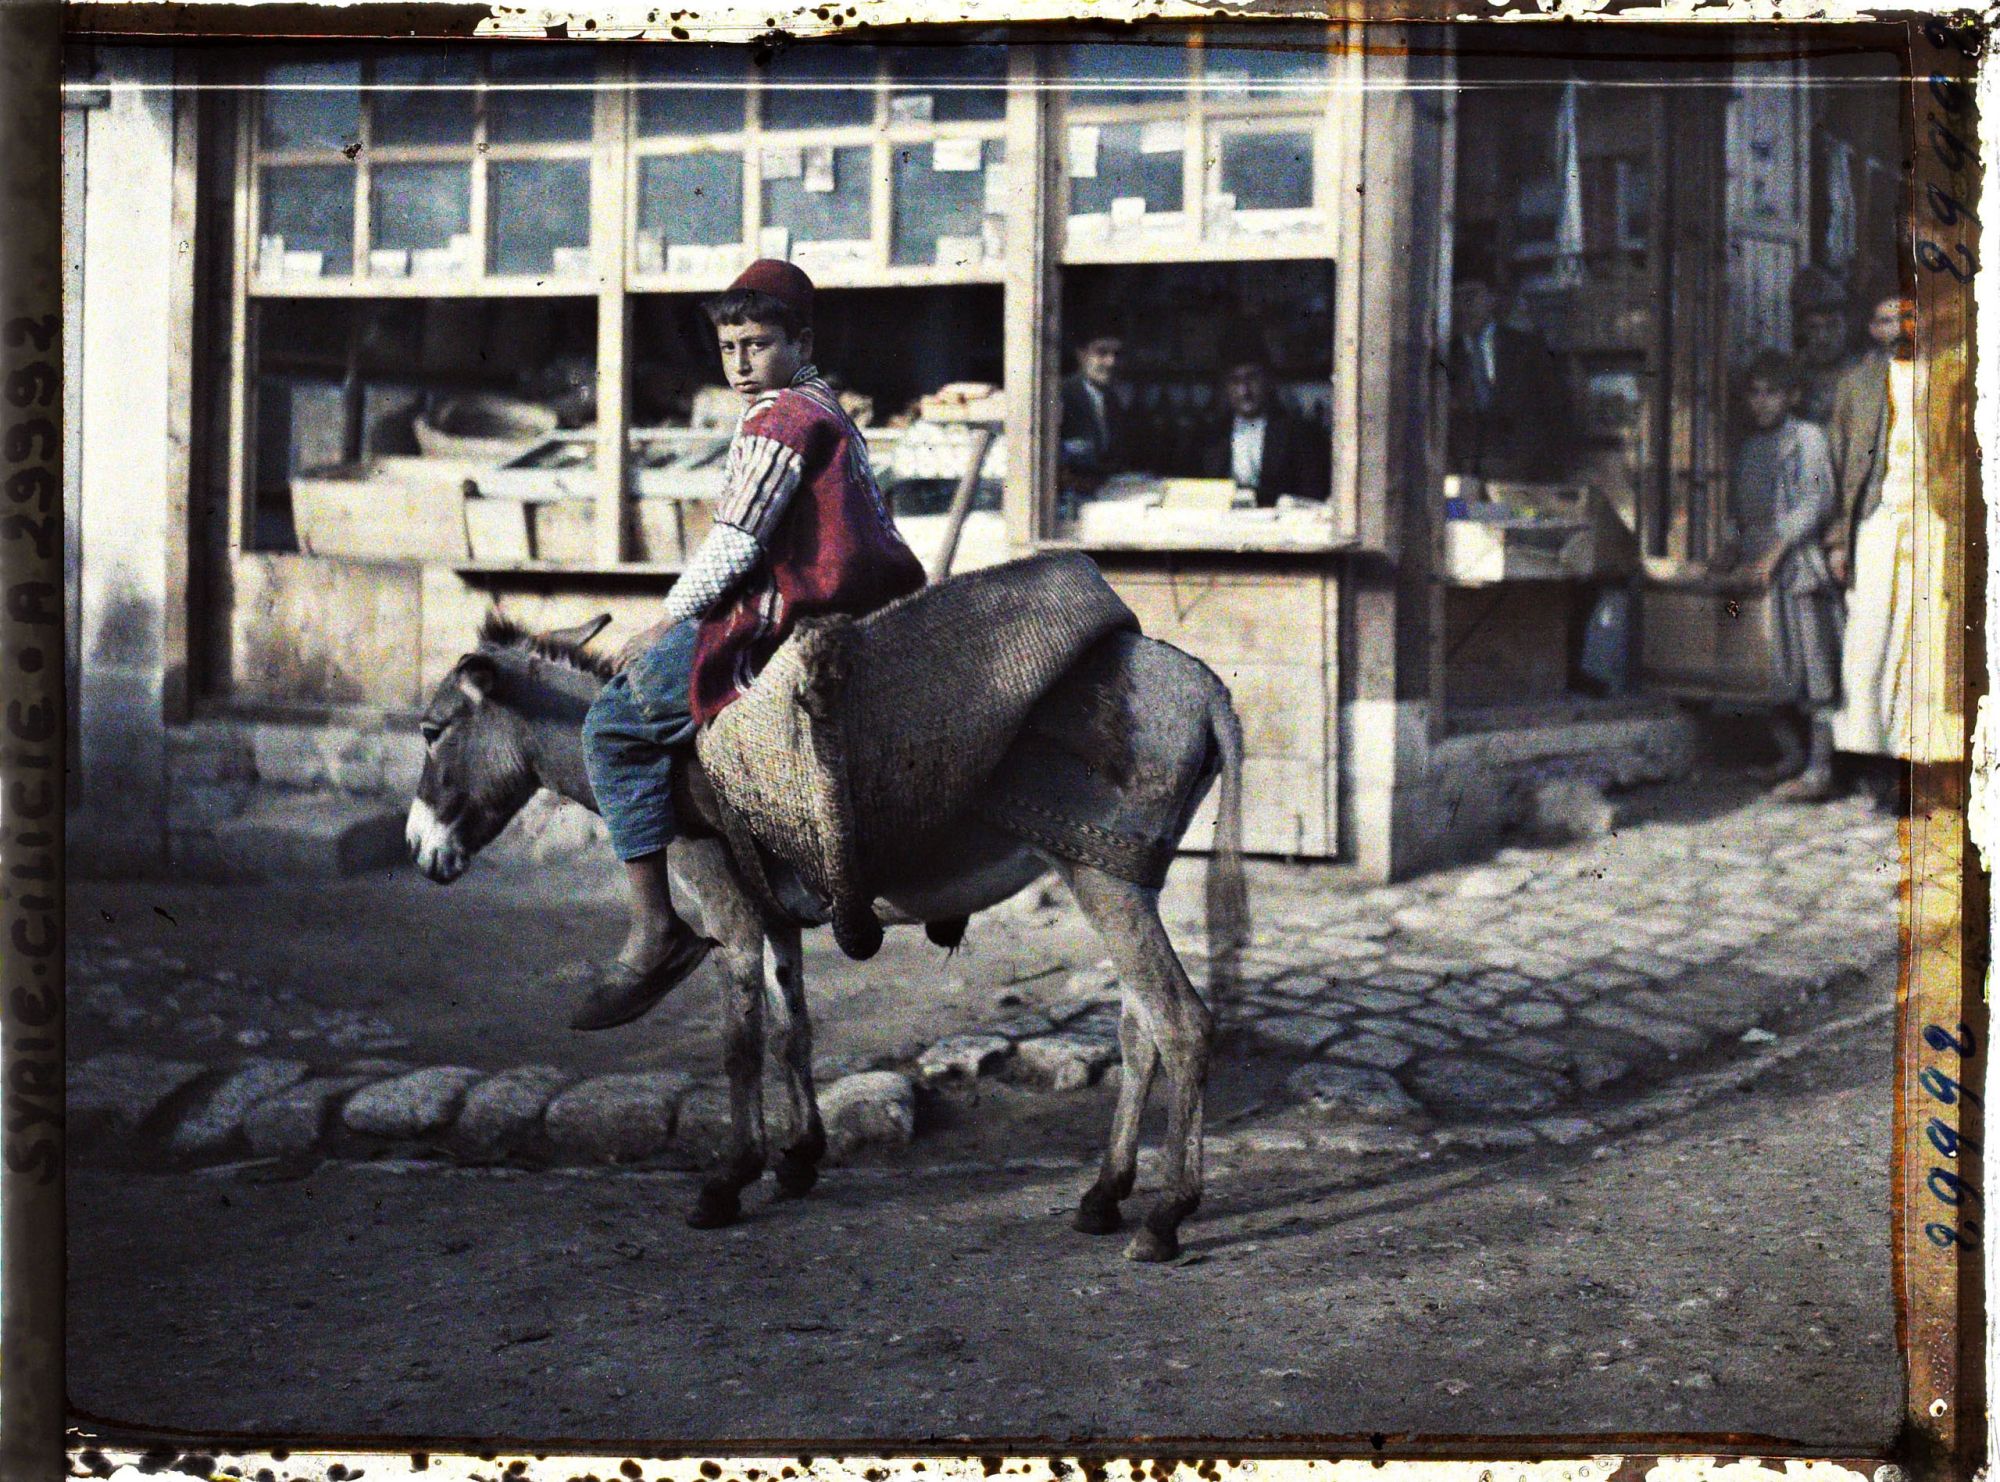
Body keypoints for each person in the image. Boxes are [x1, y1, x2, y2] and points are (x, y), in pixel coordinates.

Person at [570, 259, 927, 1031]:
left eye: (758, 344)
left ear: (801, 340)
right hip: (857, 610)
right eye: (728, 346)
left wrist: (667, 619)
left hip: (788, 617)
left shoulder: (781, 419)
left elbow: (735, 544)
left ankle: (656, 925)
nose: (739, 363)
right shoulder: (820, 405)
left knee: (611, 726)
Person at [1826, 290, 1959, 806]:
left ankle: (1923, 765)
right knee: (1872, 636)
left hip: (1933, 519)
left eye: (1907, 315)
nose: (1898, 326)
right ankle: (1875, 761)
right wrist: (1841, 539)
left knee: (1924, 639)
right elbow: (1840, 468)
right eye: (1885, 319)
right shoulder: (1856, 385)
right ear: (1873, 329)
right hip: (1877, 521)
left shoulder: (1948, 376)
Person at [1725, 351, 1843, 801]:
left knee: (1813, 667)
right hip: (1753, 573)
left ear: (1792, 395)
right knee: (1756, 663)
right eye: (1754, 393)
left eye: (1771, 392)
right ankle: (1790, 754)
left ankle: (1820, 769)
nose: (1761, 402)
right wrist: (1731, 546)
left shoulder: (1808, 438)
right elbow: (1739, 511)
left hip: (1796, 570)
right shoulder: (1750, 447)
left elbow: (1815, 504)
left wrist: (1774, 553)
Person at [1445, 266, 1571, 482]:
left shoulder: (1526, 347)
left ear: (1492, 299)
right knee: (1460, 514)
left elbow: (1554, 409)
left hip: (1519, 471)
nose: (1463, 308)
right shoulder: (1447, 354)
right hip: (1462, 472)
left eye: (1471, 297)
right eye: (1456, 299)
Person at [1191, 345, 1331, 505]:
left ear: (1268, 381)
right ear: (1225, 388)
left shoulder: (1297, 433)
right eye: (1235, 381)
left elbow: (1311, 493)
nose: (1244, 391)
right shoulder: (1210, 436)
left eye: (1251, 378)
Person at [1058, 327, 1143, 496]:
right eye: (1102, 353)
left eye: (1117, 354)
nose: (1111, 362)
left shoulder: (1113, 399)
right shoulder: (1060, 394)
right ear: (1082, 355)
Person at [1791, 266, 1851, 427]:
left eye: (1832, 326)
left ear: (1846, 325)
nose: (1823, 337)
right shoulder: (1792, 374)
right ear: (1801, 330)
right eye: (1813, 328)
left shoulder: (1863, 372)